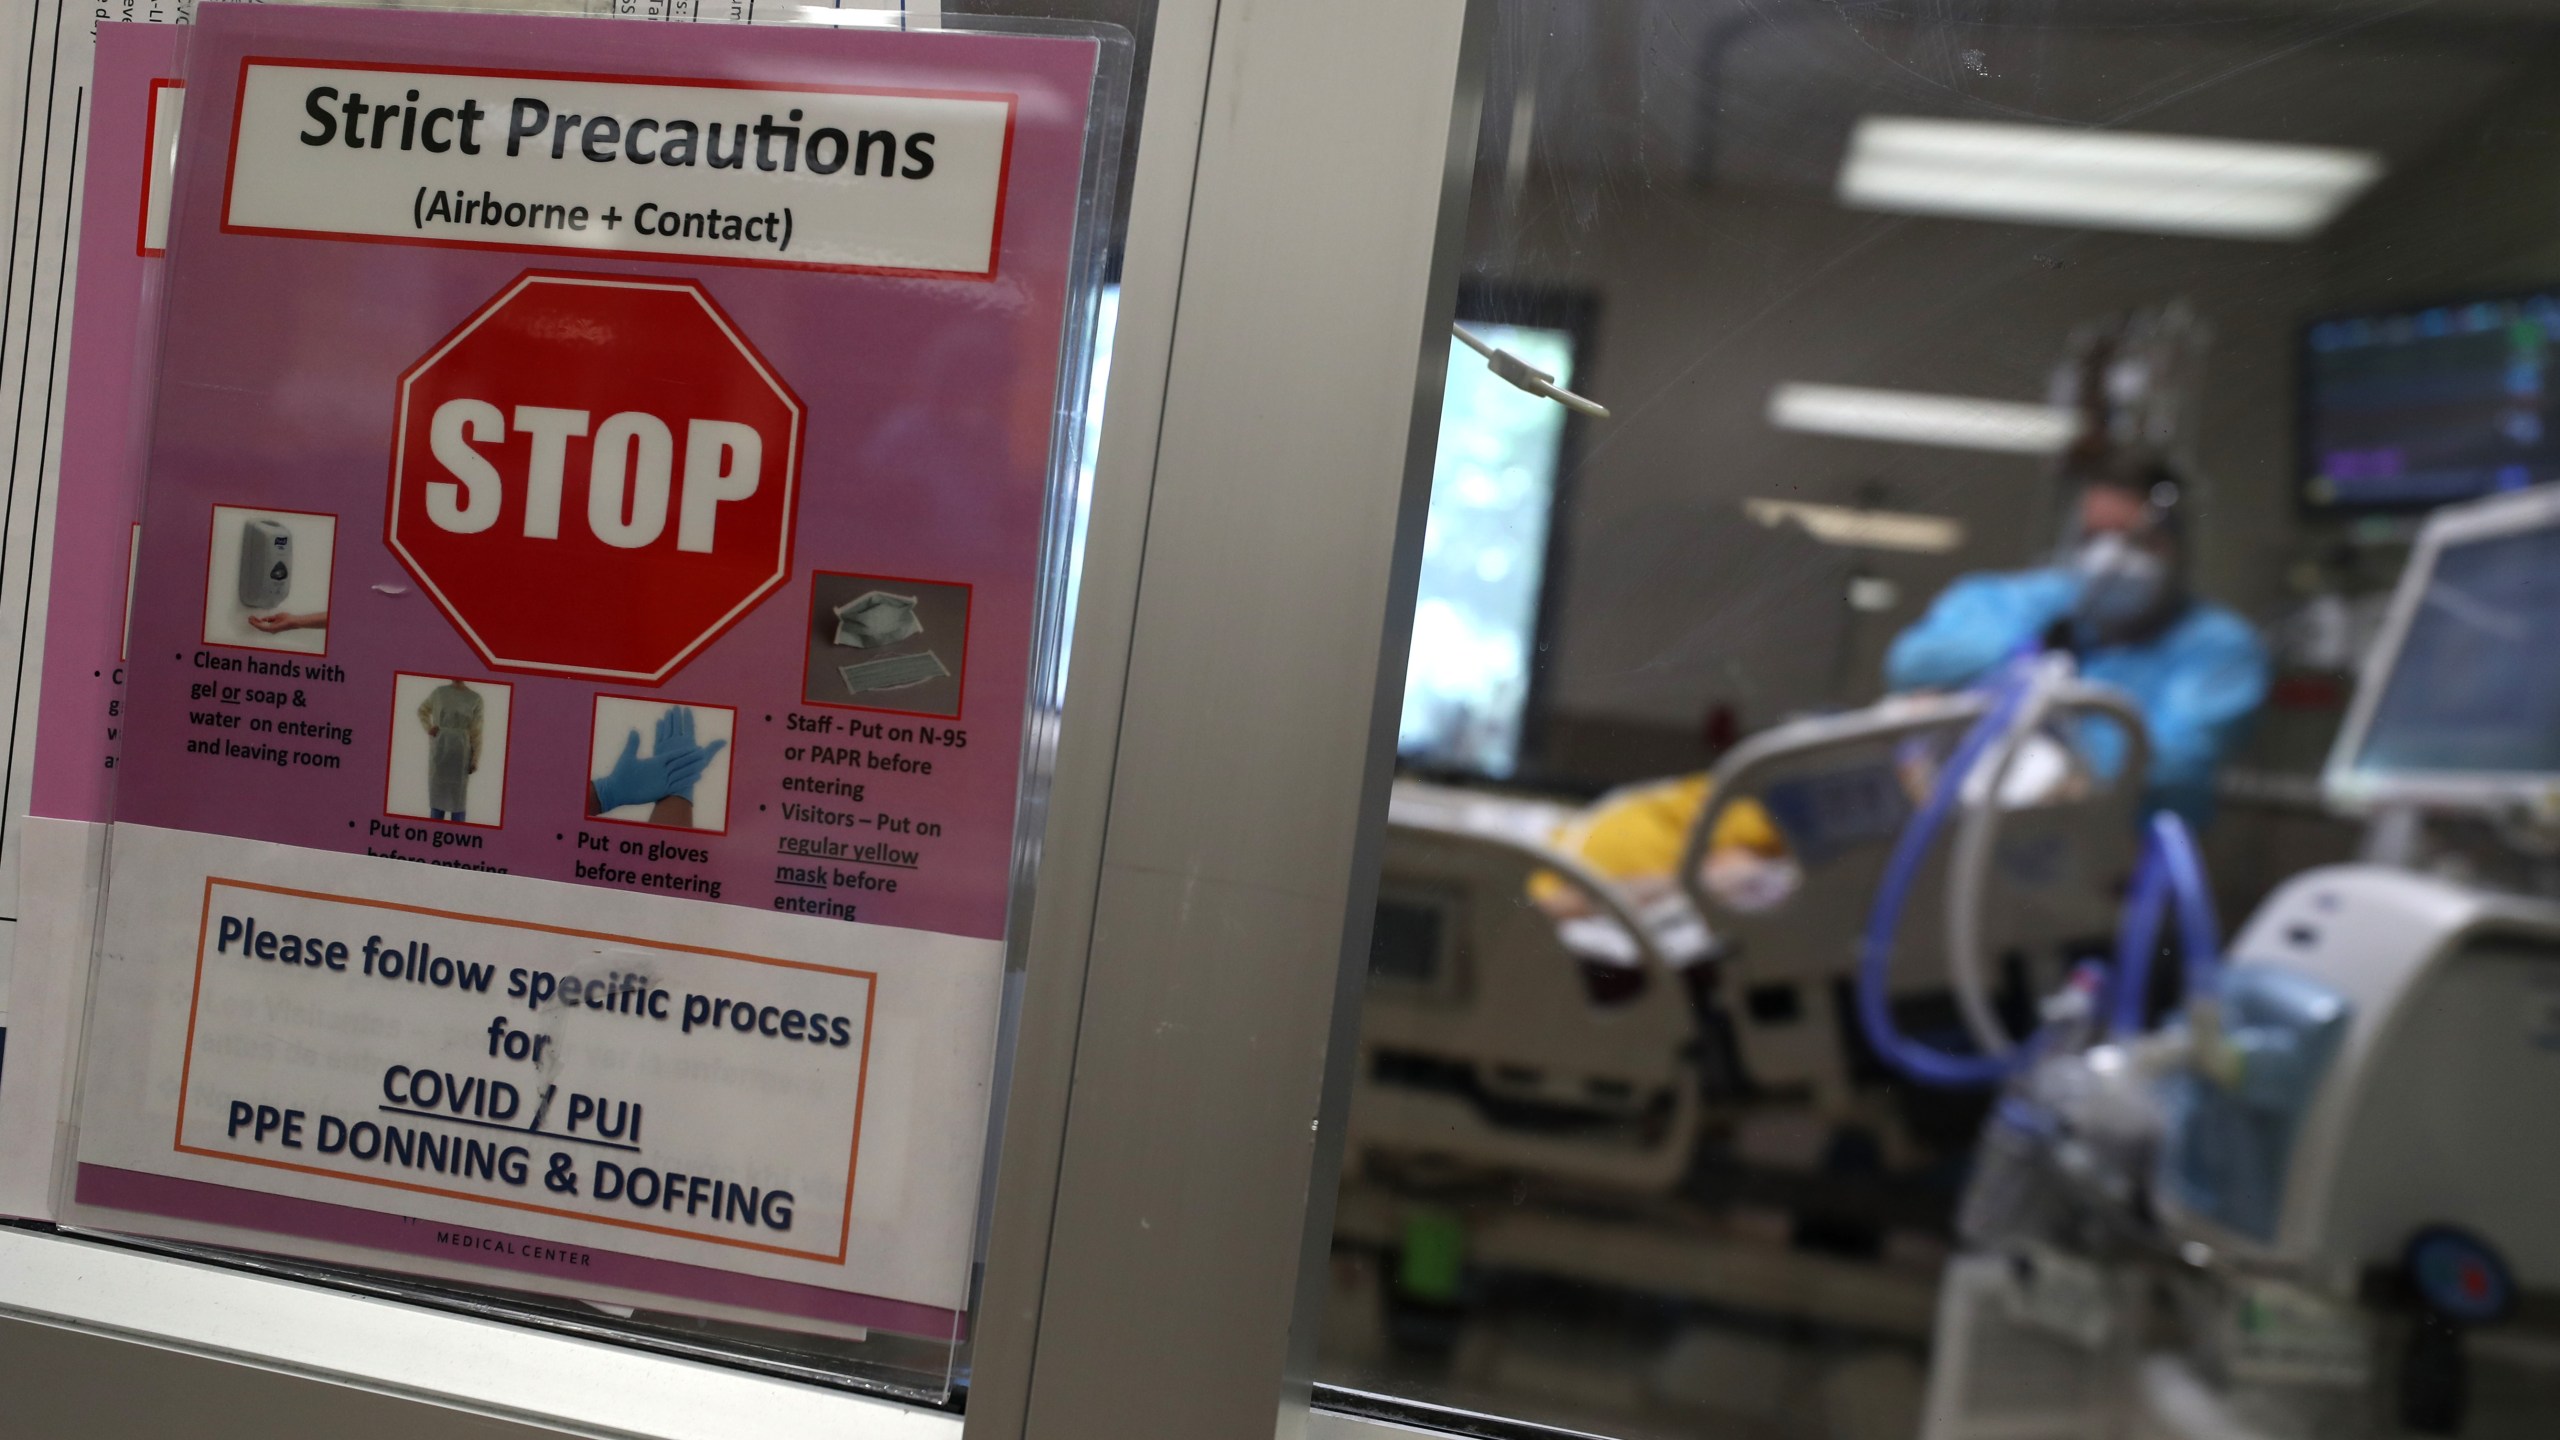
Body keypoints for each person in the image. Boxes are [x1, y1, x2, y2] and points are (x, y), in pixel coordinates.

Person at [1885, 462, 2269, 827]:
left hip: (2121, 861)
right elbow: (1913, 663)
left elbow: (2173, 763)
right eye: (2094, 537)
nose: (2110, 557)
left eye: (2136, 541)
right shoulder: (2027, 601)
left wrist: (2066, 749)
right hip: (1964, 836)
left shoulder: (2221, 648)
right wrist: (2014, 667)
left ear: (2178, 546)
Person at [416, 679, 484, 823]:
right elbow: (423, 710)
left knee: (458, 800)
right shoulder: (439, 693)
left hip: (461, 752)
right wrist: (428, 727)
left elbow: (476, 731)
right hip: (440, 747)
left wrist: (475, 759)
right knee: (437, 797)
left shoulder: (475, 698)